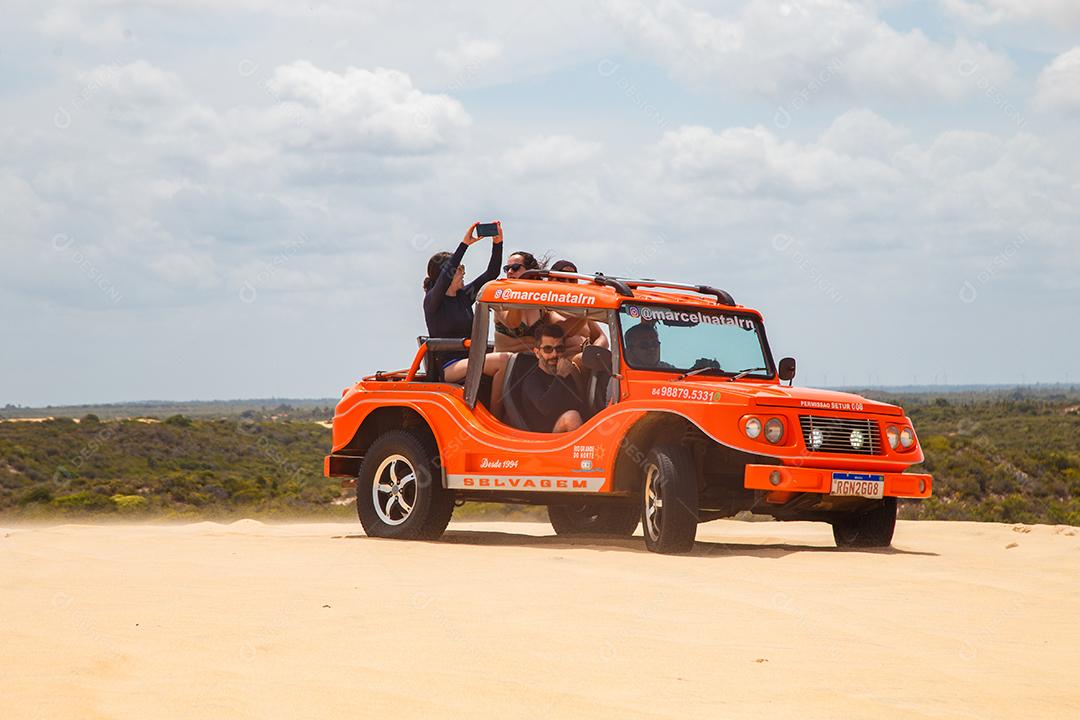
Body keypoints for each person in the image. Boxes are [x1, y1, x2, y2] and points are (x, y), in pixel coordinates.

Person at [423, 222, 510, 413]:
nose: (463, 273)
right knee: (504, 360)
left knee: (512, 358)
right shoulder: (433, 301)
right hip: (449, 366)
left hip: (471, 358)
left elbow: (491, 274)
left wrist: (498, 243)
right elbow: (446, 275)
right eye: (458, 270)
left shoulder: (464, 297)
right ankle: (496, 414)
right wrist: (464, 245)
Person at [517, 324, 585, 433]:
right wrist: (560, 377)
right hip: (544, 440)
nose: (554, 354)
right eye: (548, 349)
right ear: (537, 353)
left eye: (559, 349)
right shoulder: (531, 380)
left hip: (568, 436)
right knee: (571, 418)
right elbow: (546, 408)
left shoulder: (566, 375)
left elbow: (579, 405)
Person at [546, 259, 609, 356]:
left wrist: (592, 353)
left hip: (588, 362)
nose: (567, 283)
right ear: (550, 280)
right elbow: (564, 331)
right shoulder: (546, 309)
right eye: (561, 279)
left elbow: (602, 338)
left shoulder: (583, 311)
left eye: (572, 280)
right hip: (559, 365)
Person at [493, 250, 544, 353]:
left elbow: (562, 326)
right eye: (507, 269)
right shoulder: (500, 299)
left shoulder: (541, 302)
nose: (510, 272)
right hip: (505, 364)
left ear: (530, 272)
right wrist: (518, 291)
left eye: (515, 268)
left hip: (533, 363)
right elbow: (512, 323)